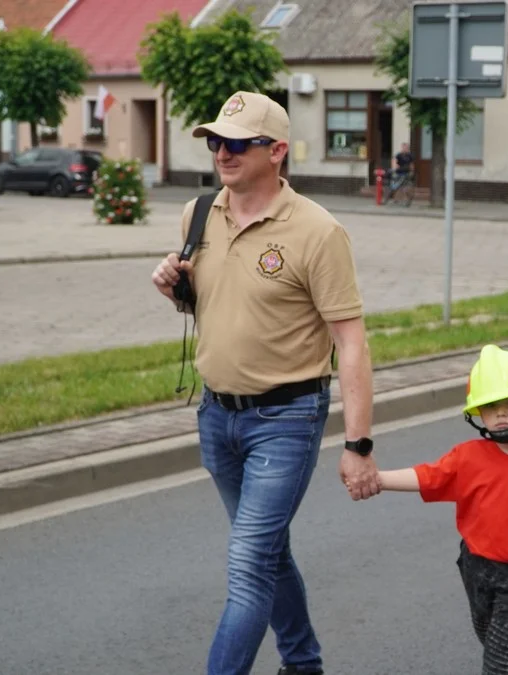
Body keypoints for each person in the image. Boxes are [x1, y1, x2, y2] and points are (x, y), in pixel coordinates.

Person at [151, 91, 377, 675]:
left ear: (276, 151)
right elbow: (214, 305)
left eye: (237, 143)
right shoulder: (198, 213)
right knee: (268, 555)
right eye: (215, 141)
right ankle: (303, 664)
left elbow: (350, 341)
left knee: (249, 565)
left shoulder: (317, 232)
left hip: (286, 419)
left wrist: (358, 445)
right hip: (215, 415)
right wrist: (175, 287)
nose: (222, 153)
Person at [377, 345, 508, 675]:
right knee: (494, 644)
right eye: (491, 406)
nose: (501, 413)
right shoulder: (467, 456)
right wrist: (378, 479)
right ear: (478, 414)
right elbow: (426, 476)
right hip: (474, 566)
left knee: (497, 664)